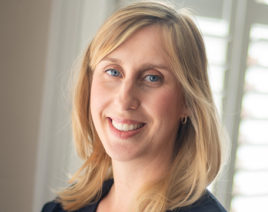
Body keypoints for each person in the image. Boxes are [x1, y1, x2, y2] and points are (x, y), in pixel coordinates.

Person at [42, 1, 227, 212]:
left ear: (188, 101)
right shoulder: (60, 208)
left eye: (152, 77)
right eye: (113, 72)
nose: (124, 99)